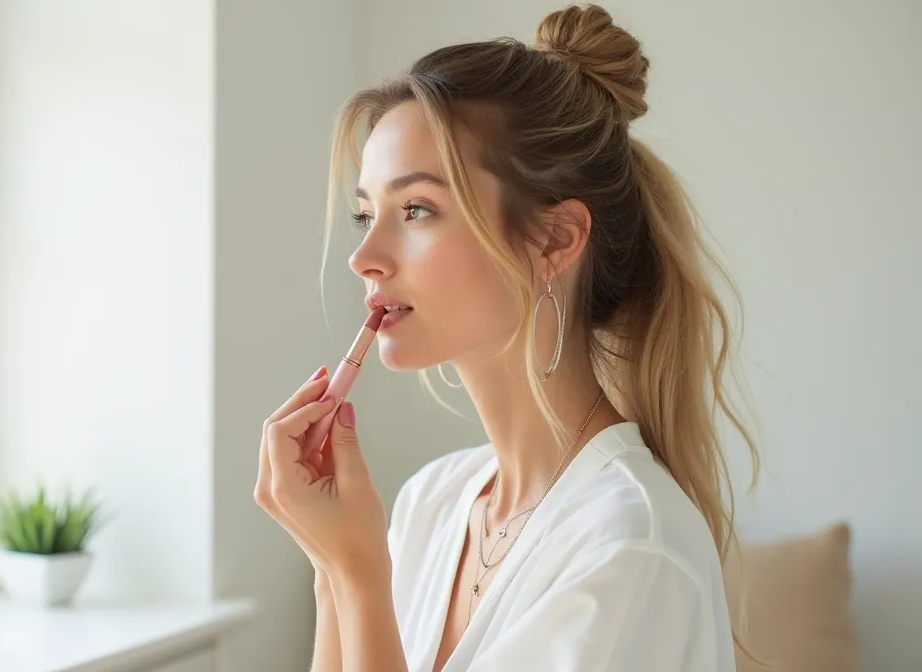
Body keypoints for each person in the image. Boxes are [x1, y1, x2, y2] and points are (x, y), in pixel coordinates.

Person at [253, 4, 759, 671]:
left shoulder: (631, 552)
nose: (365, 256)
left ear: (554, 240)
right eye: (365, 213)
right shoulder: (431, 502)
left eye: (416, 209)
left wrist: (358, 576)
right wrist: (329, 571)